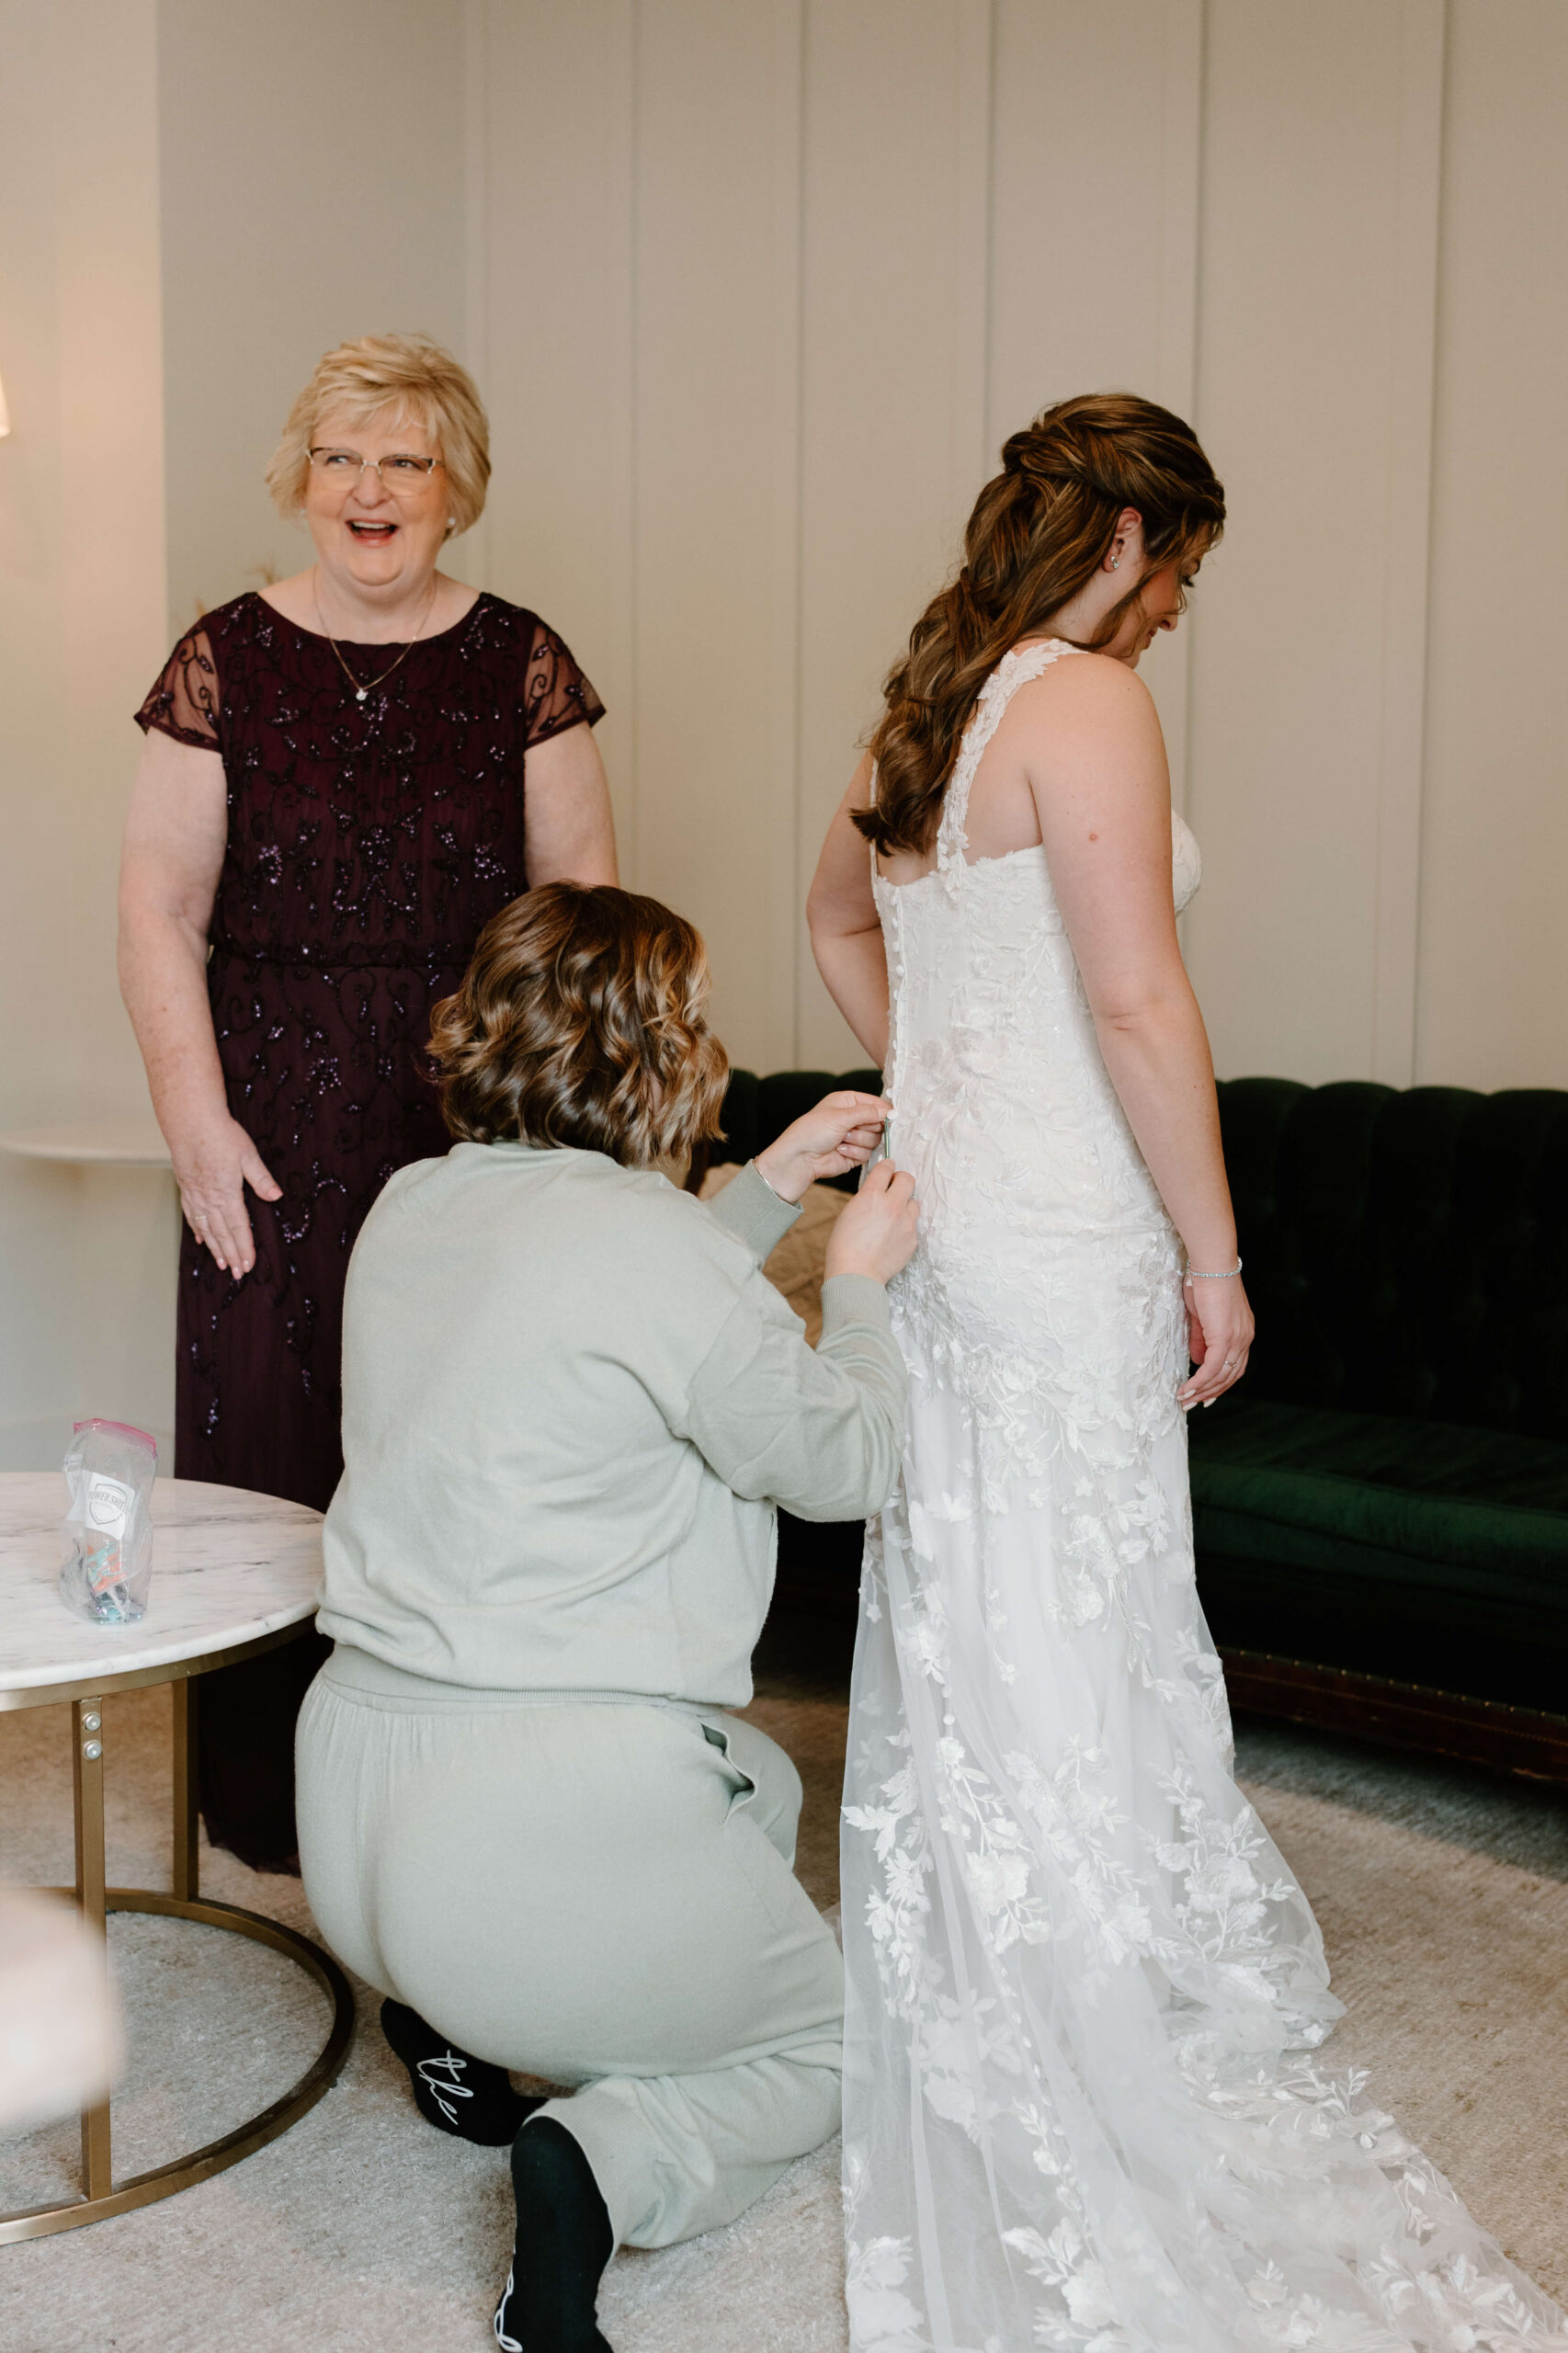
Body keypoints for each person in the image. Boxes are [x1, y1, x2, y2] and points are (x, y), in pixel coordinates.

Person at [808, 393, 1568, 2350]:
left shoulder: (930, 694)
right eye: (1187, 573)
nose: (1180, 616)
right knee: (1083, 1583)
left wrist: (938, 1088)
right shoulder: (1079, 698)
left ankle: (1005, 1940)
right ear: (1132, 537)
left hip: (948, 1214)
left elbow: (835, 917)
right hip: (1060, 1232)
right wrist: (1216, 1257)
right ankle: (1086, 1974)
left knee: (980, 1587)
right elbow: (1139, 996)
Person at [294, 881, 917, 2353]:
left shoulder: (415, 1204)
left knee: (752, 1783)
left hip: (359, 1807)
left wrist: (759, 1183)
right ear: (657, 1053)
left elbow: (586, 1291)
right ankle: (600, 2163)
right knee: (846, 2042)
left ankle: (463, 2020)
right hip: (533, 1827)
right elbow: (852, 1462)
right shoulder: (652, 1250)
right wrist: (859, 1288)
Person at [118, 335, 617, 1870]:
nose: (370, 489)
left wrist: (569, 1147)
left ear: (455, 487)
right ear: (299, 479)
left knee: (462, 1457)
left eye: (404, 460)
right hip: (264, 1114)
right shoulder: (222, 658)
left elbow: (585, 913)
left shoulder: (524, 659)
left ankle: (455, 1809)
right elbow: (157, 912)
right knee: (274, 1457)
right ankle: (278, 1816)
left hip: (473, 1122)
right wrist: (196, 1124)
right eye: (342, 458)